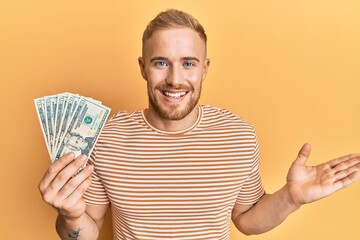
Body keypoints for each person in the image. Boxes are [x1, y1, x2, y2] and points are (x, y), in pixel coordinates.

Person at [38, 9, 360, 240]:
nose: (175, 80)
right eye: (161, 62)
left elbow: (246, 221)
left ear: (204, 69)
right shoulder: (106, 139)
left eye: (188, 63)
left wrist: (291, 197)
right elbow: (85, 233)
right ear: (142, 67)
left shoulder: (238, 136)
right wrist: (70, 215)